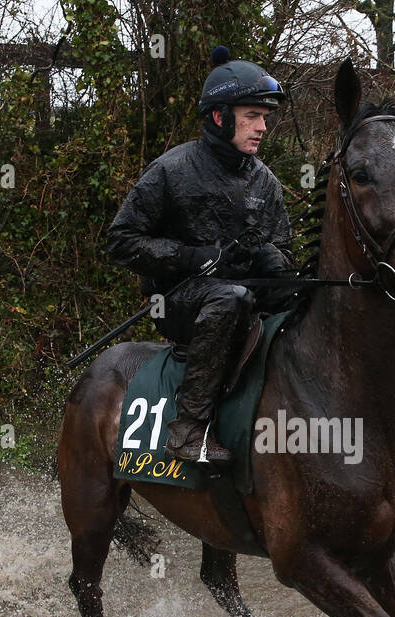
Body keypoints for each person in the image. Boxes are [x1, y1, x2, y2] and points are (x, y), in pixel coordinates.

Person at [106, 47, 295, 466]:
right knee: (230, 298)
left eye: (265, 118)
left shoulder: (266, 182)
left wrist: (274, 259)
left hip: (245, 294)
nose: (262, 127)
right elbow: (121, 241)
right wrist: (188, 257)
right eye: (252, 116)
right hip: (178, 300)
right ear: (218, 117)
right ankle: (188, 429)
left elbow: (282, 243)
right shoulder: (171, 170)